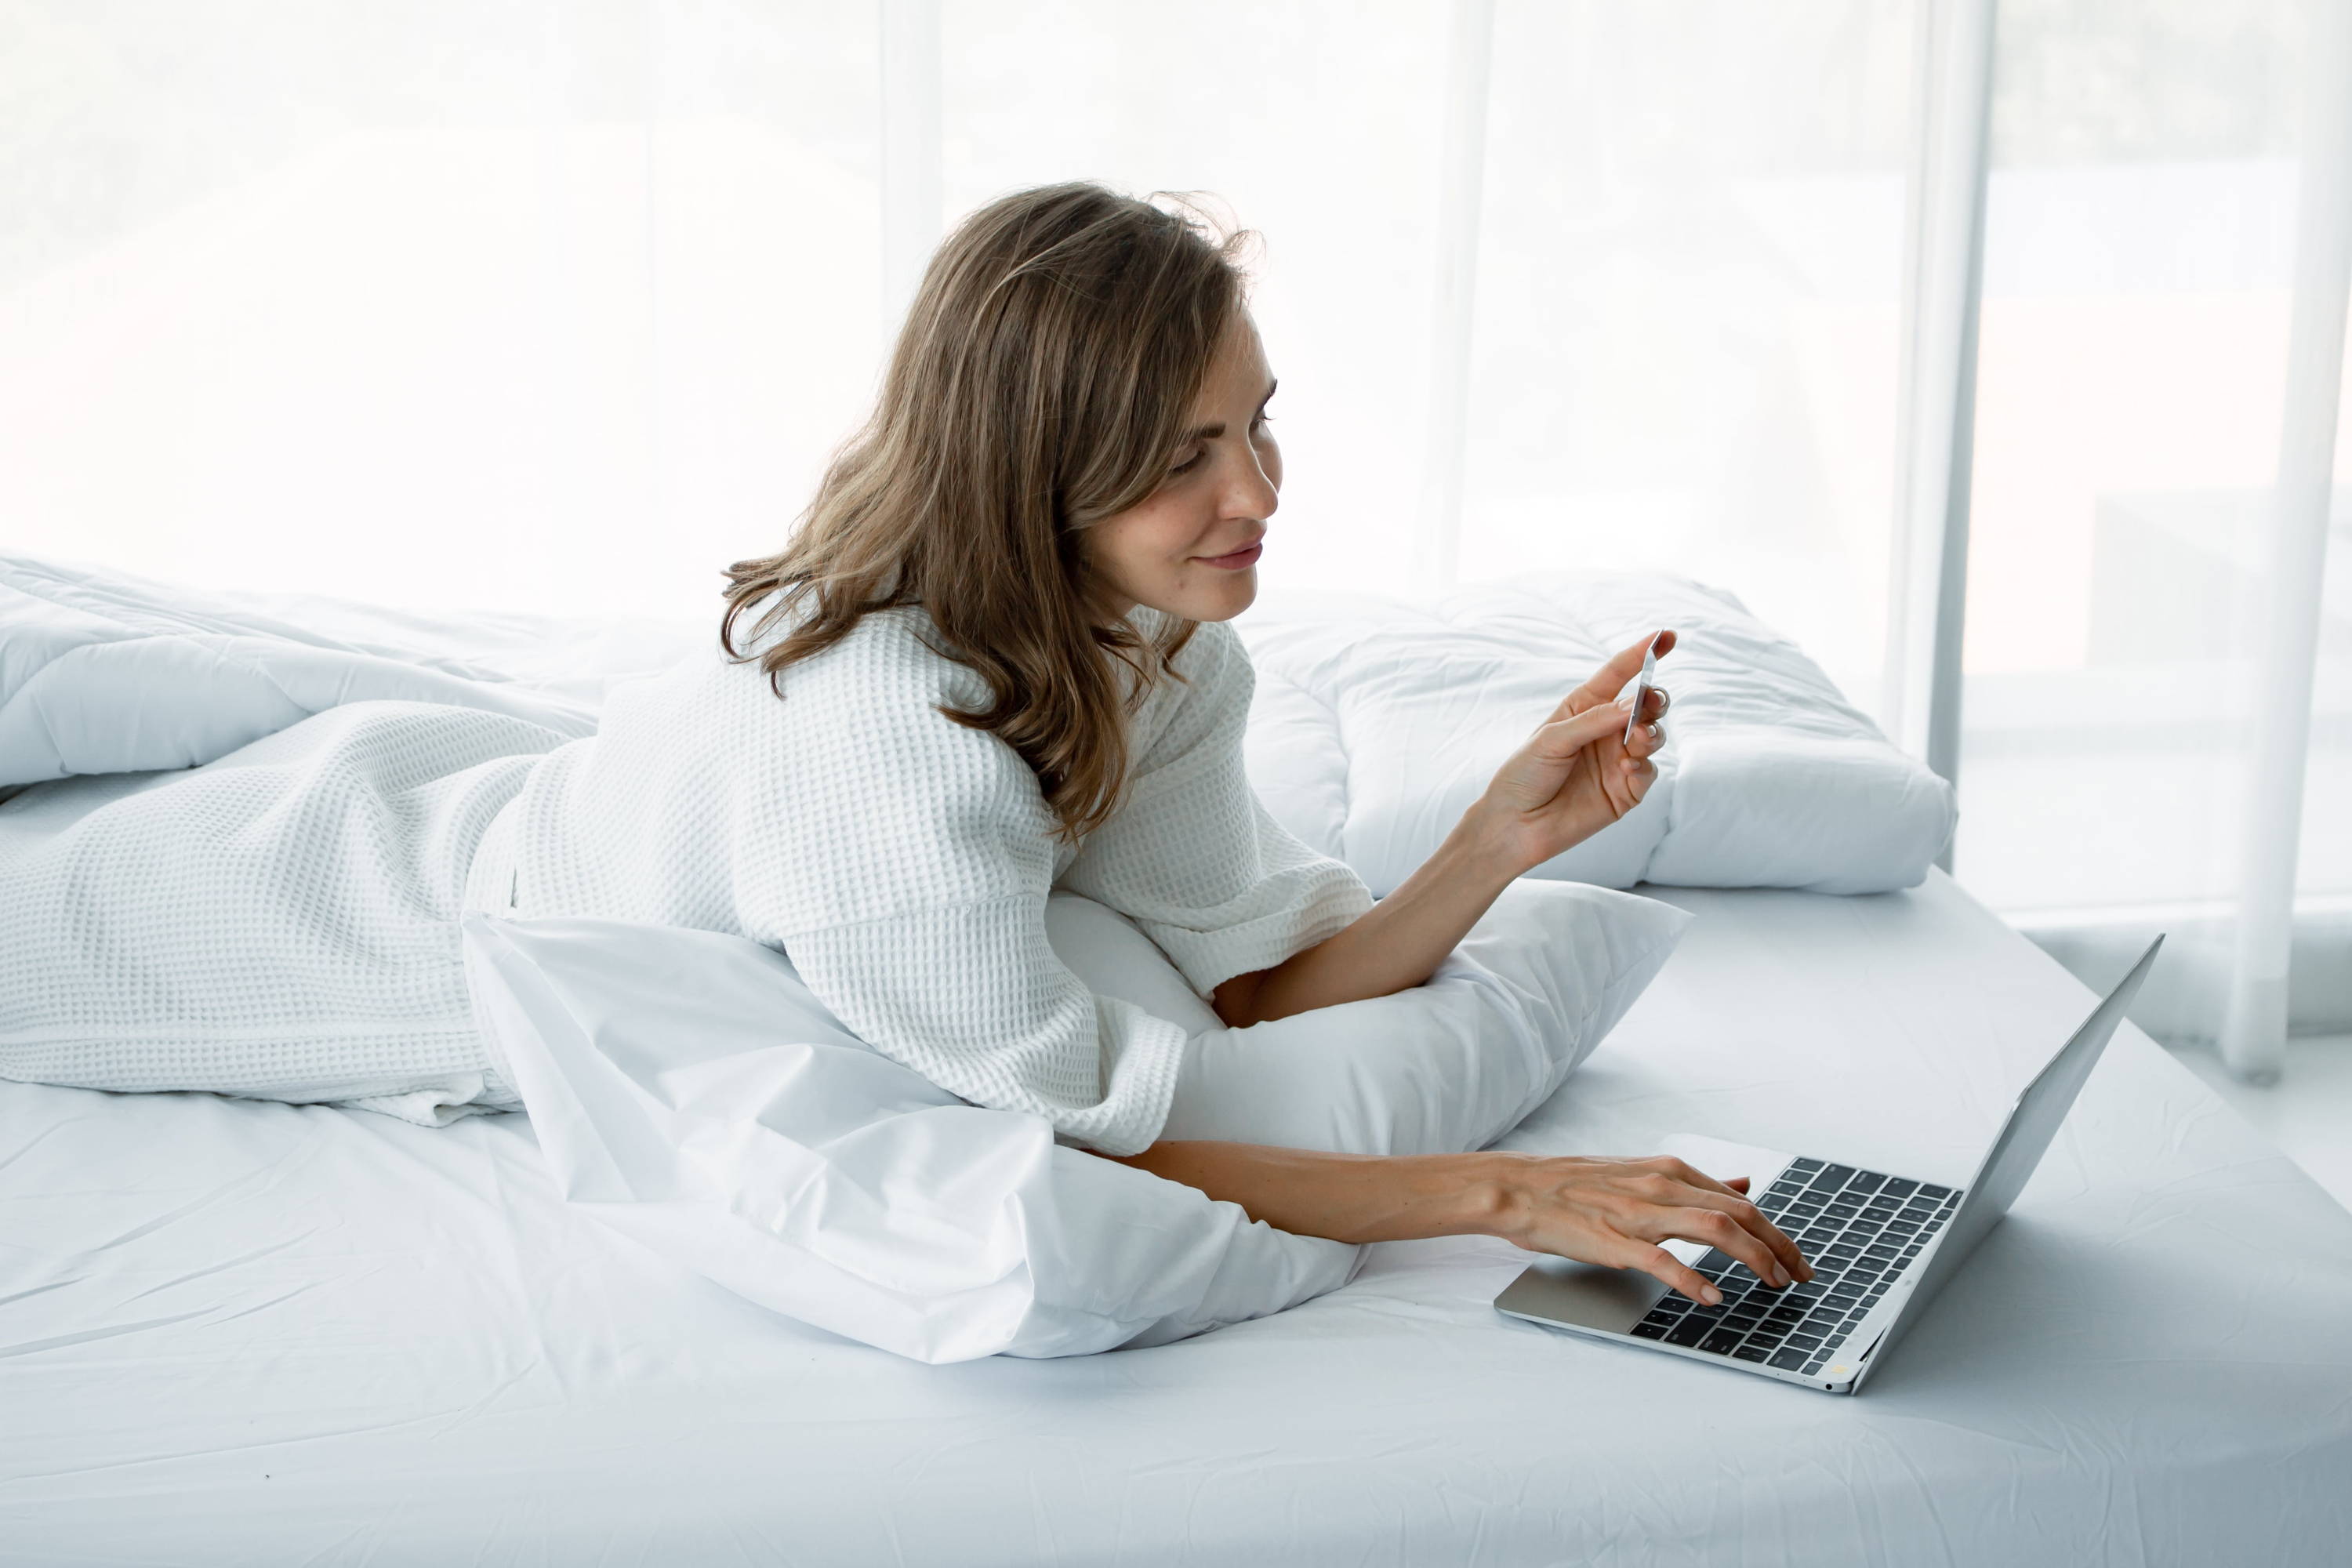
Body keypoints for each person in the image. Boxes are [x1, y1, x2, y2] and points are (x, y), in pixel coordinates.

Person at [0, 181, 1804, 1310]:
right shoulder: (887, 743)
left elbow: (1245, 988)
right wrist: (1500, 1193)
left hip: (457, 769)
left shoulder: (1164, 645)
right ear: (1038, 465)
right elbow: (1089, 1144)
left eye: (1259, 423)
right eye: (1186, 451)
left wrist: (1495, 839)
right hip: (336, 914)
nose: (1257, 493)